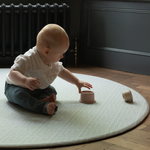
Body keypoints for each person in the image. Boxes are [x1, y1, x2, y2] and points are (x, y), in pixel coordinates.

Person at [4, 24, 92, 115]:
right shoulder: (28, 59)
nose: (62, 56)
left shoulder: (52, 62)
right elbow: (13, 73)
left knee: (51, 90)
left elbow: (62, 72)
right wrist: (25, 81)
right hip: (17, 86)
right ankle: (42, 107)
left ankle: (43, 99)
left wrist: (77, 81)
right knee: (19, 96)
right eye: (60, 54)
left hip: (38, 88)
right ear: (47, 51)